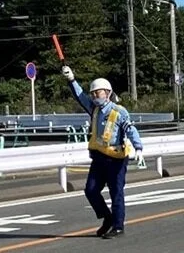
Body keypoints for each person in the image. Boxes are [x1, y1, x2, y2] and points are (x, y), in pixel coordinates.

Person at [62, 65, 143, 239]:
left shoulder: (119, 111)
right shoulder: (94, 109)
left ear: (107, 92)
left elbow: (131, 129)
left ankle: (118, 226)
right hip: (99, 158)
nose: (93, 96)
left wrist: (138, 147)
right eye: (93, 93)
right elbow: (79, 96)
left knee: (116, 192)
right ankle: (107, 218)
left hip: (116, 159)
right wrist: (71, 80)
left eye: (97, 93)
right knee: (90, 190)